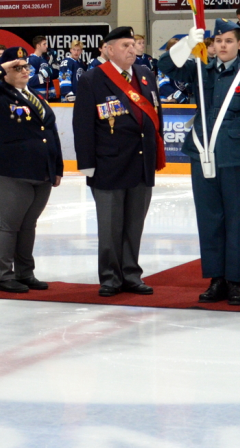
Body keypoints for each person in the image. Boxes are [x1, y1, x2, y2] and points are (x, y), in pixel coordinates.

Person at [159, 19, 240, 306]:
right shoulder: (200, 70)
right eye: (218, 41)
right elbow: (165, 66)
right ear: (211, 45)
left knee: (236, 221)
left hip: (236, 159)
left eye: (228, 41)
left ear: (239, 46)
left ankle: (234, 281)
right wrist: (187, 42)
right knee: (209, 220)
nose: (222, 45)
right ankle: (215, 278)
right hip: (203, 157)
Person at [73, 26, 164, 297]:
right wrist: (86, 163)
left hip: (141, 163)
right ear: (109, 50)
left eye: (133, 44)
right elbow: (82, 125)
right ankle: (111, 277)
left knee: (134, 224)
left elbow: (156, 112)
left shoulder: (146, 75)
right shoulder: (93, 79)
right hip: (109, 164)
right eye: (125, 45)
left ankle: (131, 274)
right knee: (111, 226)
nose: (132, 49)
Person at [0, 46, 63, 293]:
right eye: (17, 67)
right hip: (9, 170)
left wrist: (57, 167)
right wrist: (1, 67)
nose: (24, 70)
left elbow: (50, 130)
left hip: (40, 171)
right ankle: (4, 275)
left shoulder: (34, 95)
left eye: (25, 66)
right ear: (5, 71)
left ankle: (25, 272)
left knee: (28, 224)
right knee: (10, 224)